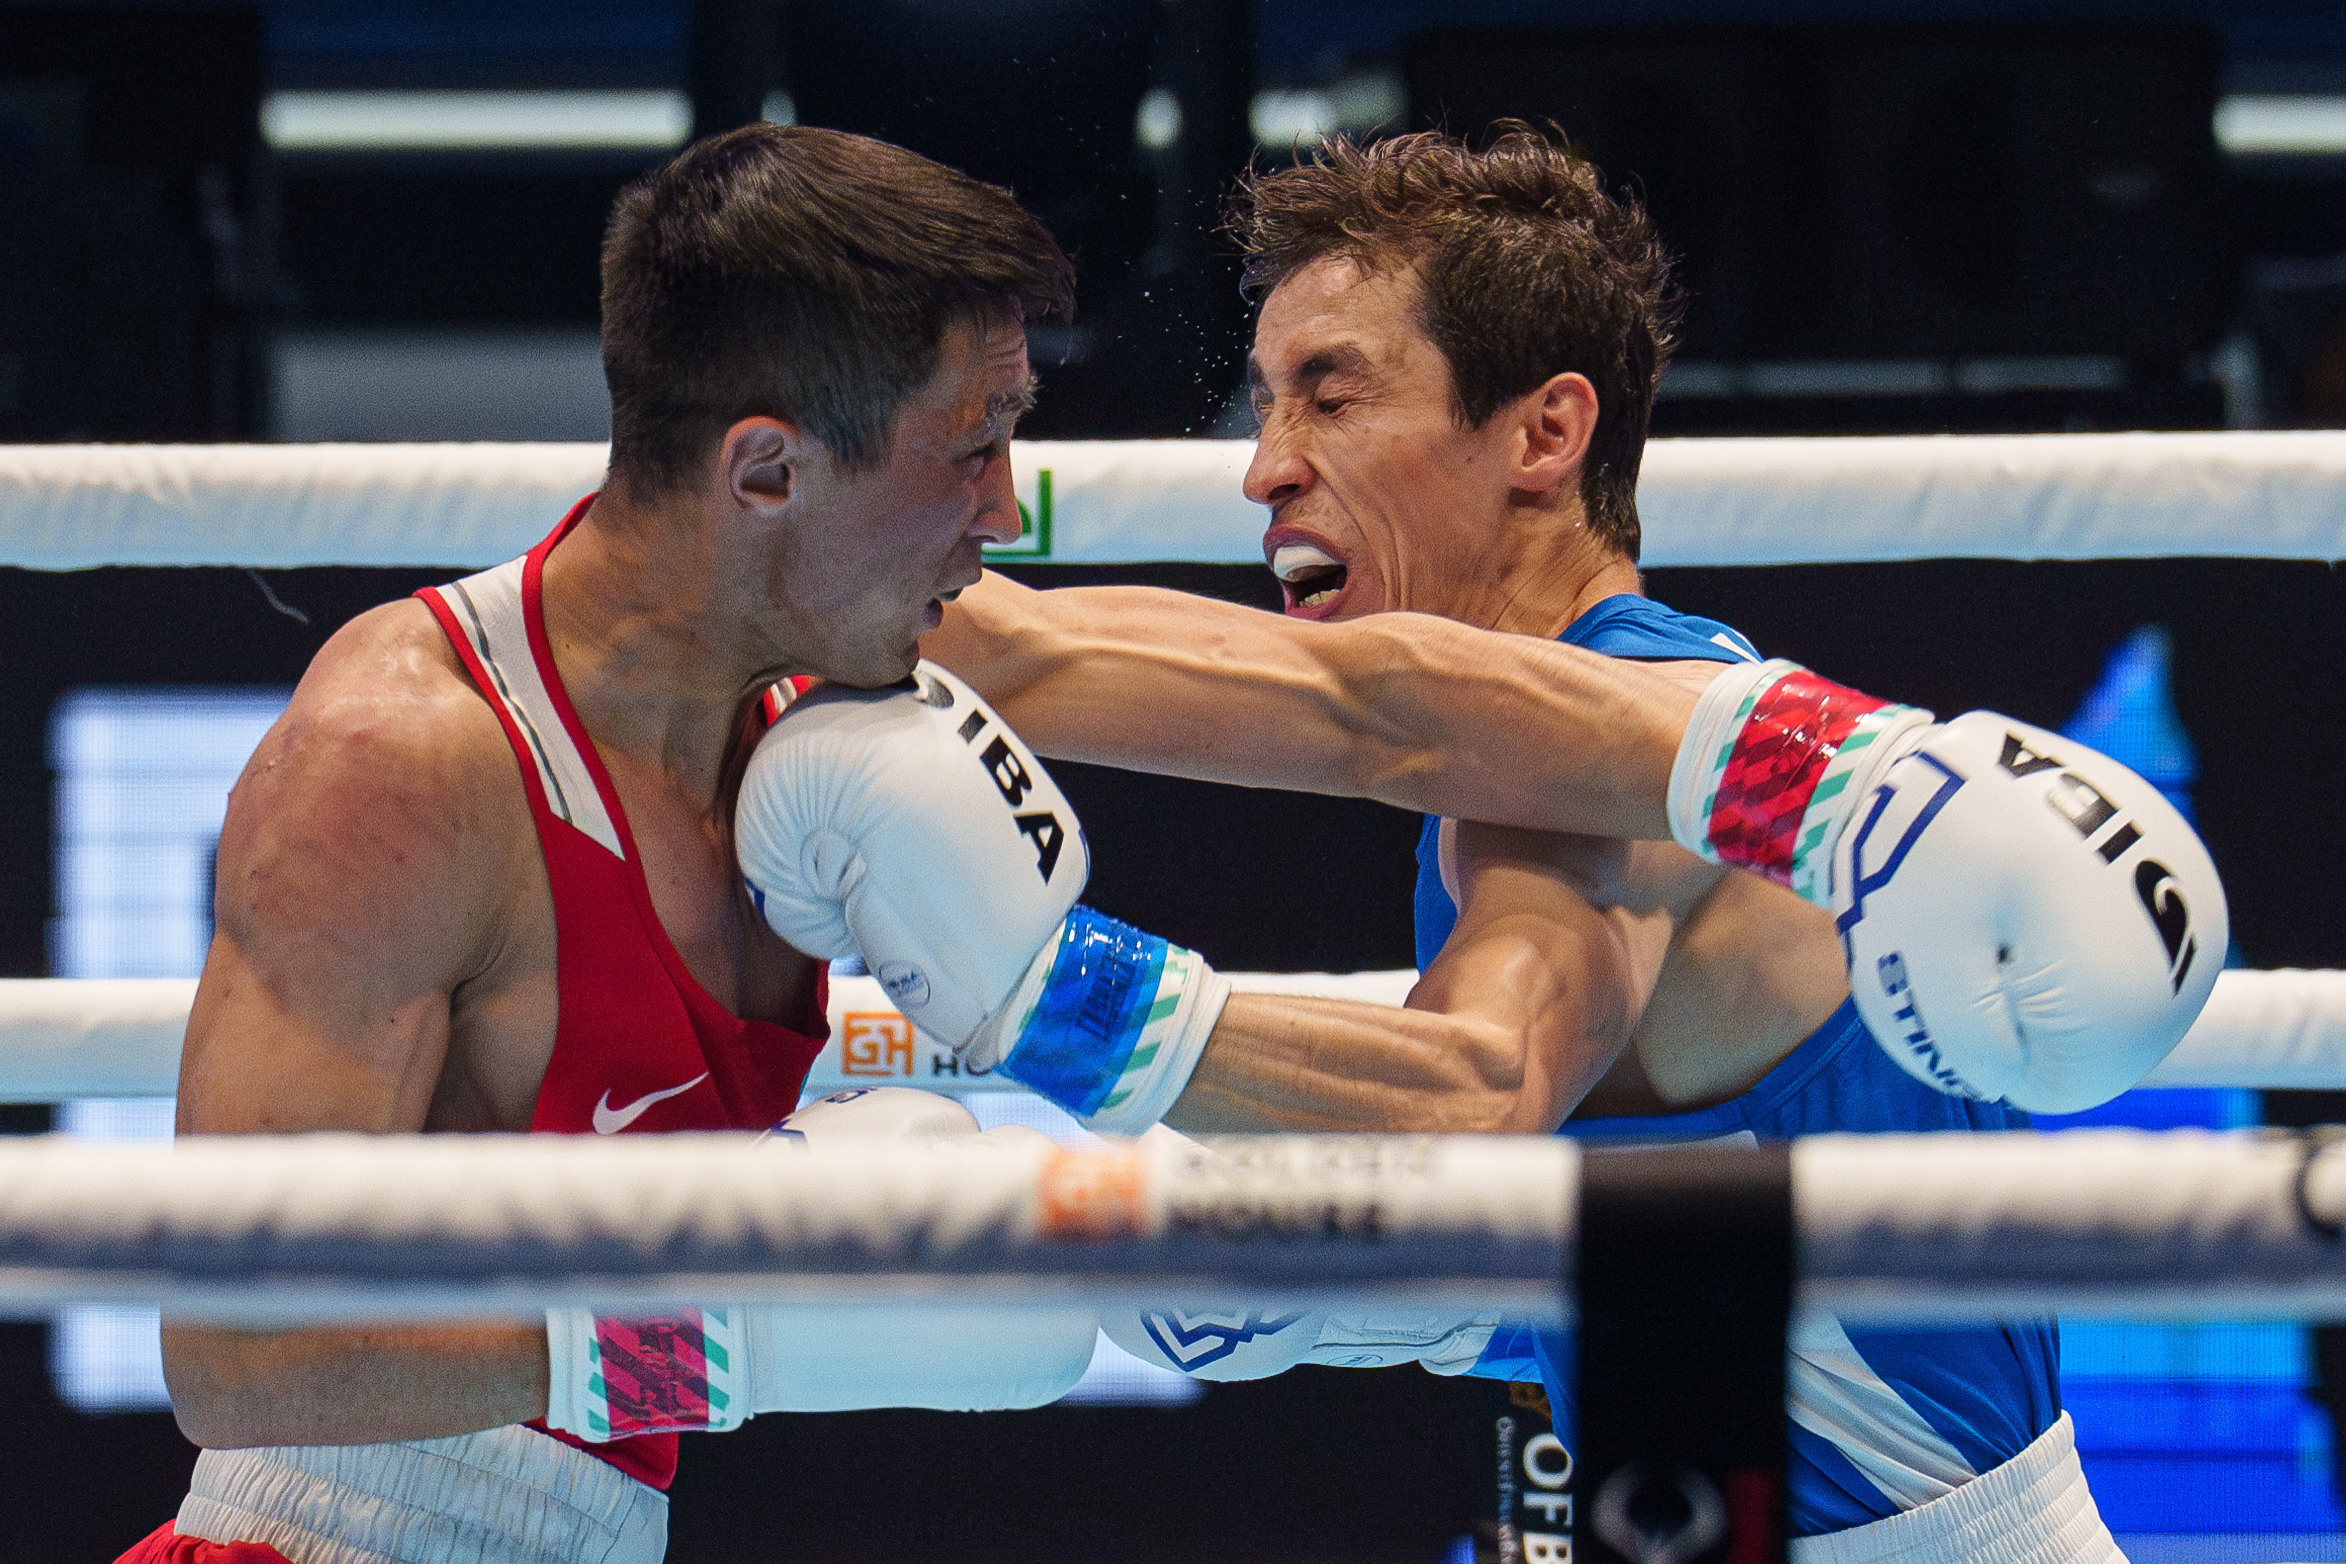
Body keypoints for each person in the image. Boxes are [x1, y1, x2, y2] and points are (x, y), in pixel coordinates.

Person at [767, 127, 2219, 1560]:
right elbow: (1288, 702)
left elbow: (1471, 1101)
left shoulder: (1620, 772)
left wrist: (1051, 1002)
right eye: (1267, 404)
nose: (1266, 467)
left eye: (1330, 399)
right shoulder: (1575, 732)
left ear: (1542, 432)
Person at [119, 123, 1103, 1564]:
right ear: (764, 471)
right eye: (968, 449)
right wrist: (722, 1331)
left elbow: (1328, 709)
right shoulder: (403, 760)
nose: (1002, 516)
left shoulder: (814, 709)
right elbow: (237, 1359)